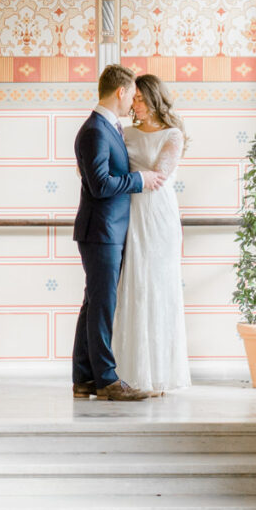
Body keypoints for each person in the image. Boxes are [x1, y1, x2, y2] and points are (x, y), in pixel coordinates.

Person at [72, 64, 165, 401]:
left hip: (106, 230)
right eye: (132, 97)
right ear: (121, 92)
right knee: (102, 305)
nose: (132, 105)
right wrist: (139, 181)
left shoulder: (106, 127)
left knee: (93, 303)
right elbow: (100, 186)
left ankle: (84, 377)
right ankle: (107, 381)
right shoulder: (96, 130)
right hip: (101, 231)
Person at [113, 74, 191, 394]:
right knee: (133, 288)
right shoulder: (124, 132)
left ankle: (159, 374)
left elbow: (159, 176)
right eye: (134, 99)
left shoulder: (174, 134)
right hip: (129, 213)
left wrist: (126, 175)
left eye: (142, 99)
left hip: (159, 217)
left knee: (158, 289)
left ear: (155, 99)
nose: (136, 105)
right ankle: (130, 372)